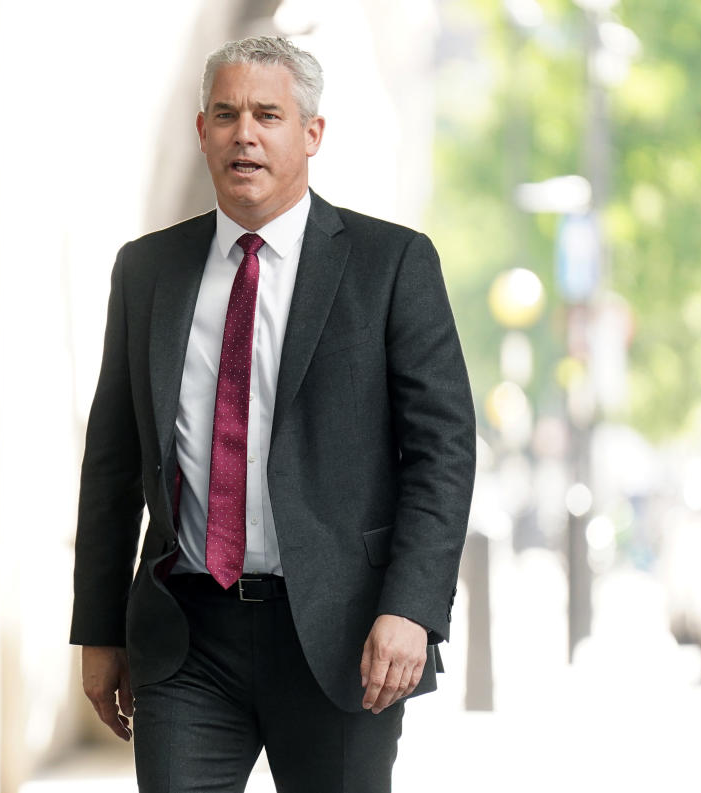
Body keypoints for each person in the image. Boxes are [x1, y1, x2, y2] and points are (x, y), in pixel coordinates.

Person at [69, 35, 475, 792]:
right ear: (201, 133)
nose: (243, 134)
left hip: (341, 635)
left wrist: (411, 608)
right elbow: (113, 461)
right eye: (224, 115)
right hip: (187, 637)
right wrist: (97, 626)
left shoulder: (392, 265)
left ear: (312, 133)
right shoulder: (147, 271)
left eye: (267, 114)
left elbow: (442, 453)